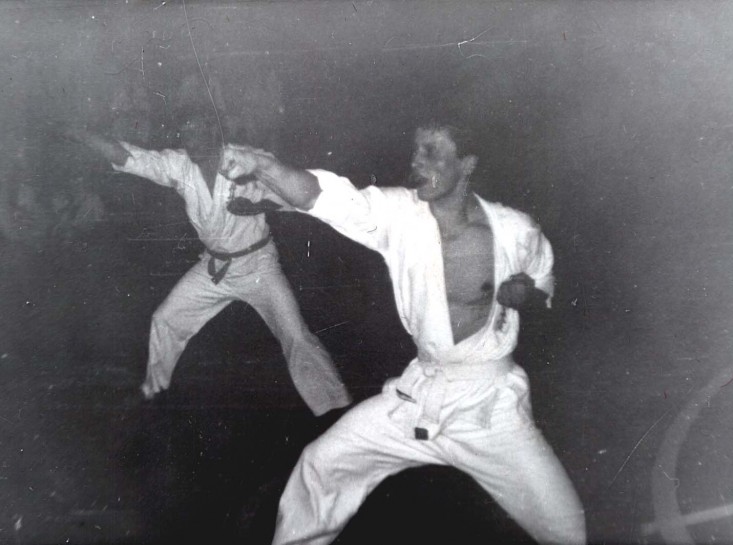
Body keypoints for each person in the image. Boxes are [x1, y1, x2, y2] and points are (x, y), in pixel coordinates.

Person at [218, 123, 586, 545]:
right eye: (415, 151)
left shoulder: (516, 230)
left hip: (490, 408)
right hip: (418, 396)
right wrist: (262, 165)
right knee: (322, 465)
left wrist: (526, 293)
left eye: (431, 152)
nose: (416, 162)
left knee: (566, 527)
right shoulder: (400, 214)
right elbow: (324, 195)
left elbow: (543, 282)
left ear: (467, 164)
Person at [65, 108, 351, 417]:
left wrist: (258, 206)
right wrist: (79, 133)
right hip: (214, 268)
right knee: (165, 319)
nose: (190, 140)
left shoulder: (246, 160)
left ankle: (334, 406)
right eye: (185, 133)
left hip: (258, 266)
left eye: (196, 131)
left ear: (213, 131)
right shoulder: (180, 165)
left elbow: (297, 196)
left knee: (295, 335)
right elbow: (130, 157)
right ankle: (153, 392)